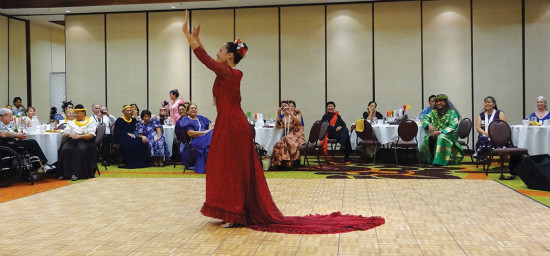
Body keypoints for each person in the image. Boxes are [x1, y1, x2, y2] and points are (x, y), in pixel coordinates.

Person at [182, 10, 383, 233]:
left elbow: (205, 59)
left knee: (234, 168)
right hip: (225, 124)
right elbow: (208, 59)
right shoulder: (223, 73)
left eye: (220, 50)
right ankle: (227, 208)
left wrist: (189, 37)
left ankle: (237, 210)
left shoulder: (231, 74)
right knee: (221, 166)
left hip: (233, 125)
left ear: (229, 56)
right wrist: (196, 39)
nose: (217, 53)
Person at [419, 94, 464, 166]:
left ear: (446, 102)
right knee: (428, 137)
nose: (438, 103)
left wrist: (439, 132)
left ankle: (440, 161)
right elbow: (425, 119)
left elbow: (453, 126)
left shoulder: (452, 113)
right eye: (437, 101)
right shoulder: (434, 112)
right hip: (436, 133)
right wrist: (429, 125)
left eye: (441, 101)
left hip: (450, 134)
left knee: (441, 137)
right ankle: (430, 159)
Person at [57, 104, 97, 181]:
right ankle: (64, 173)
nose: (76, 115)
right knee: (65, 149)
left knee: (81, 150)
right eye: (75, 113)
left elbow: (91, 135)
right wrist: (69, 134)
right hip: (73, 140)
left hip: (86, 140)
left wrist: (80, 136)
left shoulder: (90, 121)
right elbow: (65, 133)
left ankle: (78, 174)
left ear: (84, 113)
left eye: (78, 113)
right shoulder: (71, 122)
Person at [176, 103, 212, 173]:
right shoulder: (186, 120)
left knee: (212, 133)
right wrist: (205, 132)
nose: (193, 109)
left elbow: (210, 123)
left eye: (195, 108)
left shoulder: (201, 118)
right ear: (187, 111)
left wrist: (209, 130)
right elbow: (191, 133)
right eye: (191, 108)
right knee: (211, 137)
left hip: (205, 138)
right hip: (195, 141)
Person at [271, 100, 305, 168]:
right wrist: (278, 114)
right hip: (288, 137)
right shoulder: (283, 116)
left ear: (294, 108)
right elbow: (278, 126)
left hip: (298, 136)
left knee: (285, 139)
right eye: (288, 106)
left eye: (292, 106)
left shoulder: (297, 113)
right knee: (277, 145)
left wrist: (291, 114)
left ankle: (290, 163)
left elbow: (298, 123)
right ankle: (280, 163)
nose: (290, 108)